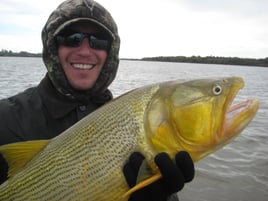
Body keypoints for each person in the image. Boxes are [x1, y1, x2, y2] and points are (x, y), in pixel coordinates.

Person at [0, 0, 194, 200]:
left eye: (98, 40)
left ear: (111, 52)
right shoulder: (4, 119)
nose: (84, 51)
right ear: (51, 45)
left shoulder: (135, 122)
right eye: (71, 38)